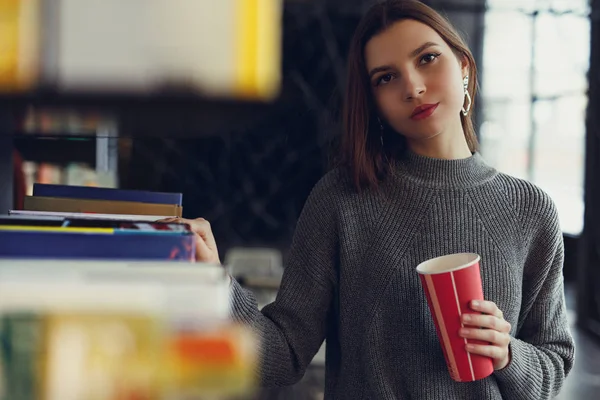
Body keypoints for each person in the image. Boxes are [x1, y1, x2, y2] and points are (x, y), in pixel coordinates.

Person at [163, 0, 575, 398]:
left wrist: (507, 354)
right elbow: (282, 355)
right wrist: (213, 280)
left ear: (464, 67)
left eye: (427, 58)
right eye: (386, 78)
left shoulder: (531, 211)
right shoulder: (342, 200)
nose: (412, 87)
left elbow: (553, 366)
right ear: (374, 103)